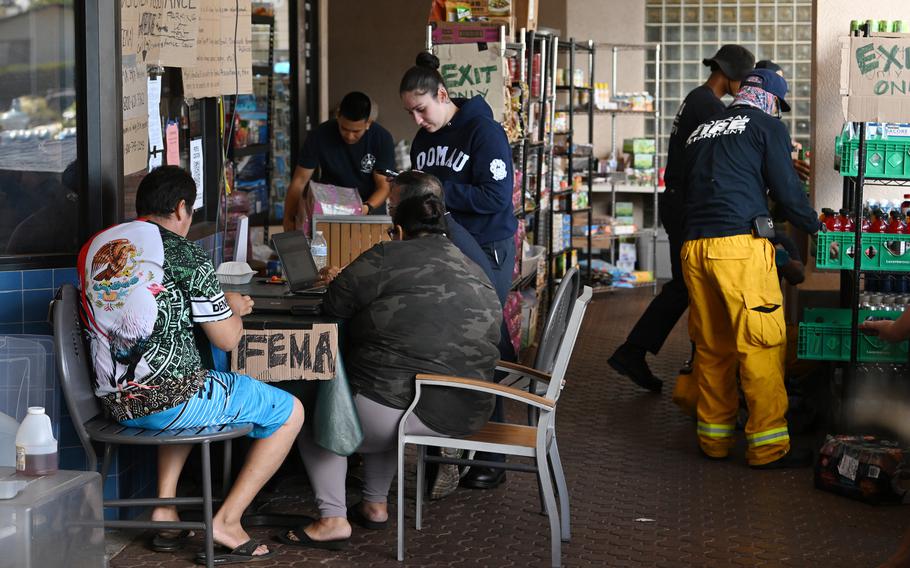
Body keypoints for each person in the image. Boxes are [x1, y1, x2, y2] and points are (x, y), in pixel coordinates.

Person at [78, 166, 305, 563]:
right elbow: (228, 339)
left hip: (114, 404)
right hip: (171, 404)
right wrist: (231, 308)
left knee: (191, 372)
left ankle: (165, 509)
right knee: (291, 412)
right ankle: (228, 522)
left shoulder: (100, 246)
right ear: (182, 208)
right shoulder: (186, 254)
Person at [281, 192, 501, 549]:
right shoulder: (471, 265)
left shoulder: (387, 254)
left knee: (315, 414)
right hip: (469, 409)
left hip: (399, 409)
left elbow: (334, 302)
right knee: (384, 388)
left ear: (397, 230)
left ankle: (333, 518)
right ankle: (375, 504)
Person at [679, 68, 821, 469]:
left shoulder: (702, 129)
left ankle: (714, 441)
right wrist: (817, 226)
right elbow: (787, 193)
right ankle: (769, 448)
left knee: (713, 347)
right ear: (772, 100)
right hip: (738, 250)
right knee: (760, 345)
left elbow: (681, 188)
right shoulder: (765, 127)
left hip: (694, 248)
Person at [400, 51, 518, 492]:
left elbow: (495, 198)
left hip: (488, 249)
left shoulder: (483, 131)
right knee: (446, 347)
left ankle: (493, 456)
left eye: (422, 108)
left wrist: (436, 190)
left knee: (482, 344)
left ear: (443, 95)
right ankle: (445, 453)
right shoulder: (422, 140)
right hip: (443, 251)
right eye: (410, 111)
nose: (417, 119)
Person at [608, 44, 755, 393]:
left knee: (684, 285)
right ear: (732, 76)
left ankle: (635, 352)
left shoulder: (697, 98)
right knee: (693, 286)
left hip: (677, 201)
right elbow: (721, 155)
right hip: (685, 204)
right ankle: (660, 358)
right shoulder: (709, 107)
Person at [283, 91, 395, 231]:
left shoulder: (382, 139)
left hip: (369, 209)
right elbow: (299, 181)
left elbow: (383, 187)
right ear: (338, 116)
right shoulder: (319, 135)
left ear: (368, 123)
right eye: (344, 128)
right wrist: (288, 218)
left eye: (356, 132)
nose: (349, 136)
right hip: (329, 211)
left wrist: (366, 208)